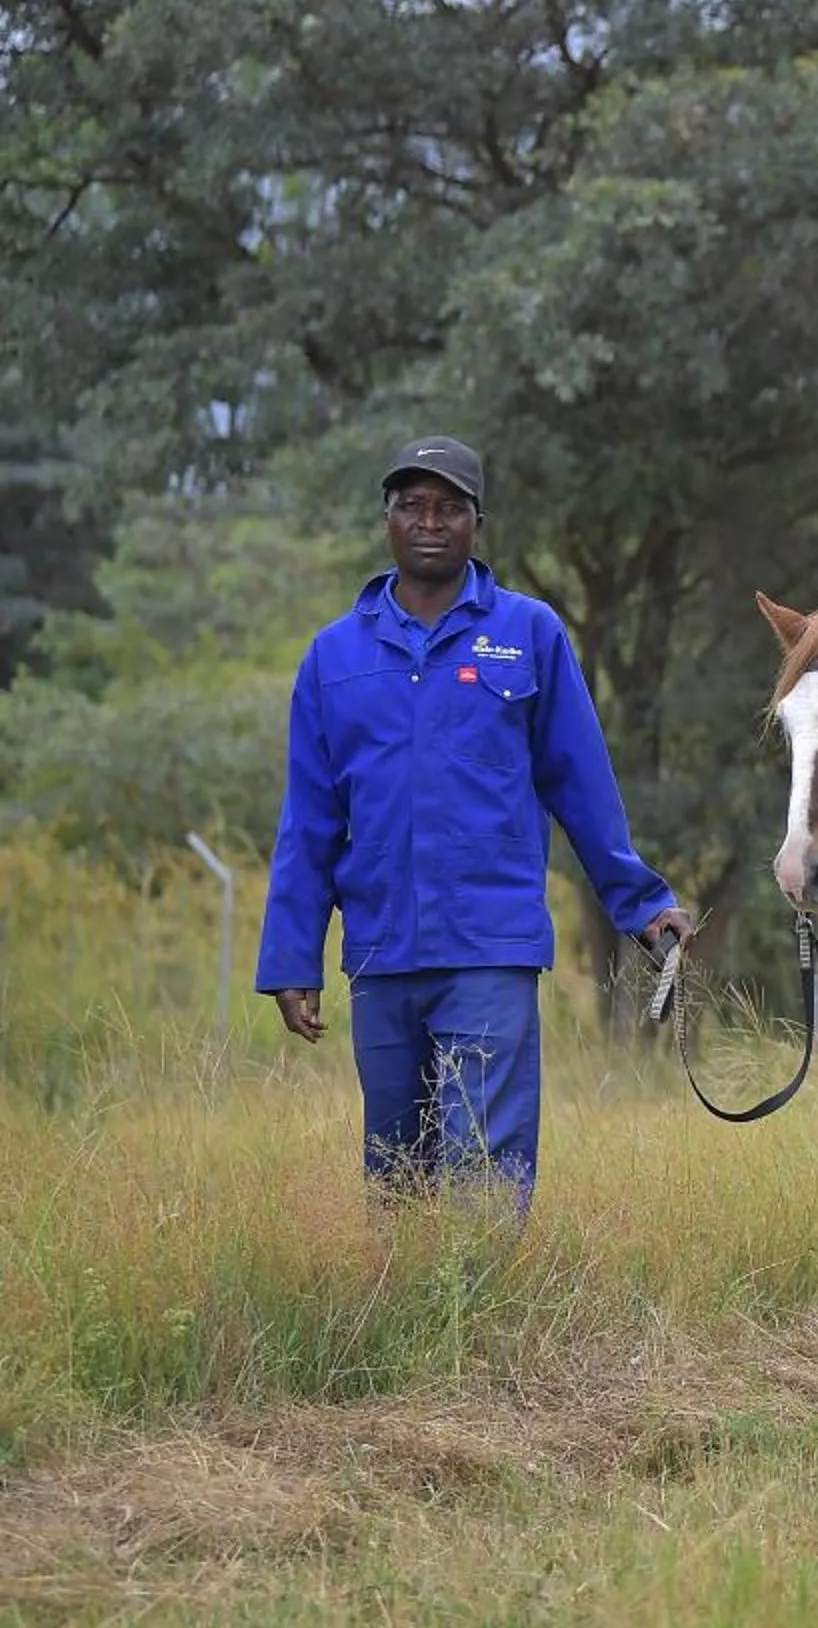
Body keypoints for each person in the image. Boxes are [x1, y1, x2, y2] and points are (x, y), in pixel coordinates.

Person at [256, 436, 692, 1214]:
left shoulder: (528, 635)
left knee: (483, 1168)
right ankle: (410, 1328)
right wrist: (293, 958)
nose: (430, 522)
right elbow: (310, 821)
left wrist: (641, 902)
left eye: (449, 507)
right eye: (412, 506)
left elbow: (581, 783)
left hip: (489, 947)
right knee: (396, 1171)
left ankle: (481, 1331)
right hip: (383, 954)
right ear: (387, 520)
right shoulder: (334, 657)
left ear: (476, 523)